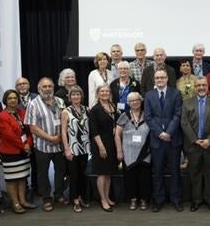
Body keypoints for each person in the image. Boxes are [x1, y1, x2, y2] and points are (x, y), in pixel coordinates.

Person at [24, 77, 68, 212]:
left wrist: (60, 136)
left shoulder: (60, 102)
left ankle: (58, 194)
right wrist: (51, 138)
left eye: (49, 86)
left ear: (53, 88)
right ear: (39, 89)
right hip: (42, 146)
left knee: (61, 171)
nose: (47, 88)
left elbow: (65, 121)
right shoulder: (33, 104)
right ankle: (46, 198)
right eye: (44, 86)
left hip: (59, 145)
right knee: (42, 174)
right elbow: (33, 127)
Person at [144, 69, 183, 212]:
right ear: (154, 80)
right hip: (157, 140)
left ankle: (176, 199)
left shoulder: (176, 93)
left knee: (175, 171)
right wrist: (160, 133)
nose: (160, 80)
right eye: (157, 78)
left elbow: (178, 114)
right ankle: (158, 199)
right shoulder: (148, 95)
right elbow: (148, 117)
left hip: (173, 139)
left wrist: (168, 132)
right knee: (158, 171)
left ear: (167, 78)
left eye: (162, 77)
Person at [181, 77, 210, 212]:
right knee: (195, 174)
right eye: (198, 85)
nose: (201, 88)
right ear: (195, 87)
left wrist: (209, 140)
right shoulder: (186, 103)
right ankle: (197, 200)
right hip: (193, 145)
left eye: (204, 85)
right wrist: (195, 139)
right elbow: (184, 123)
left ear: (207, 86)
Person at [0, 90, 36, 214]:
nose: (13, 100)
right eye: (10, 98)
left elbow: (29, 130)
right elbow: (8, 135)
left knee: (22, 177)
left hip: (23, 151)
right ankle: (15, 203)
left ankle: (23, 201)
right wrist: (23, 145)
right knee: (12, 179)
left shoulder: (22, 112)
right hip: (10, 152)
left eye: (15, 98)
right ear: (5, 100)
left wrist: (28, 144)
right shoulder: (3, 115)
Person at [115, 92, 151, 211]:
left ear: (141, 101)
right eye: (132, 101)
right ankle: (133, 200)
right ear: (128, 103)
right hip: (128, 154)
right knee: (130, 178)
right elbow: (117, 135)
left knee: (144, 178)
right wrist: (119, 151)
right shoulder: (124, 115)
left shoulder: (147, 114)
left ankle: (144, 200)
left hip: (145, 153)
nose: (135, 102)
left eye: (137, 100)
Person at [88, 84, 119, 212]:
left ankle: (107, 197)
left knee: (109, 173)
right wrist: (101, 147)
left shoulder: (113, 106)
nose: (105, 93)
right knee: (101, 173)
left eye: (107, 91)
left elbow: (115, 123)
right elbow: (94, 131)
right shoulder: (95, 110)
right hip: (100, 144)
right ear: (98, 93)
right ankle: (103, 199)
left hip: (112, 144)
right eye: (102, 91)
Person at [61, 86, 91, 213]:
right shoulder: (65, 112)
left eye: (78, 94)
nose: (76, 97)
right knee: (74, 175)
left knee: (83, 175)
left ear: (81, 96)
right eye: (73, 95)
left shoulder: (86, 109)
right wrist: (66, 149)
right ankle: (75, 200)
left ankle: (82, 197)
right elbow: (63, 132)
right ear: (70, 97)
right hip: (73, 148)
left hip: (85, 147)